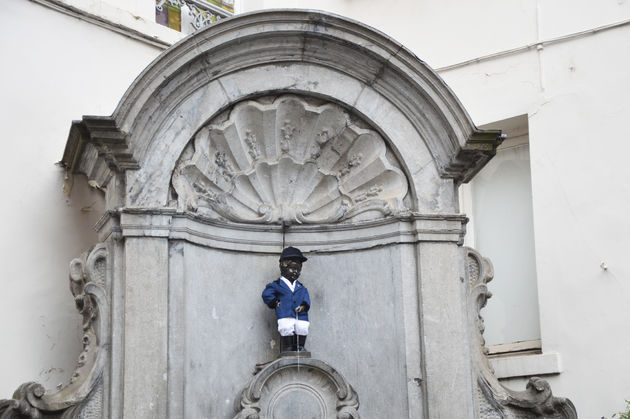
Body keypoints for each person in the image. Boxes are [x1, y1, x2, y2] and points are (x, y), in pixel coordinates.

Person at [261, 246, 311, 352]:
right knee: (286, 327)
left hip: (300, 315)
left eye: (298, 270)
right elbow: (267, 294)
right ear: (283, 267)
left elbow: (306, 298)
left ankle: (300, 346)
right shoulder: (277, 285)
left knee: (302, 327)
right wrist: (274, 302)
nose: (295, 272)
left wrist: (304, 306)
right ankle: (288, 346)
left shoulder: (301, 287)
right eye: (292, 269)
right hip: (285, 312)